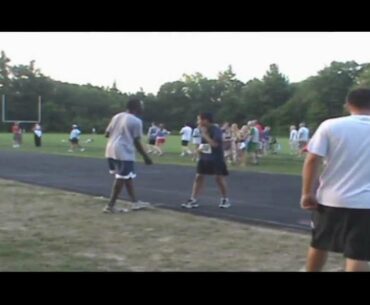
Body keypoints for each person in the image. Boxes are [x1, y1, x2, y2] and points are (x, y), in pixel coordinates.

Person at [301, 88, 370, 272]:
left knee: (319, 243)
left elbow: (312, 159)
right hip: (366, 203)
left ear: (348, 104)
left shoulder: (330, 126)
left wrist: (307, 193)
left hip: (331, 199)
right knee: (359, 253)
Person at [103, 98, 153, 213]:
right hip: (123, 151)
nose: (143, 108)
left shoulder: (117, 116)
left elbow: (107, 133)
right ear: (136, 108)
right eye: (141, 106)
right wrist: (146, 157)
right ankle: (110, 205)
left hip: (110, 148)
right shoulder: (136, 121)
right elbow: (136, 141)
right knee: (121, 178)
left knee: (127, 176)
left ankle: (135, 202)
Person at [182, 112, 230, 209]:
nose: (198, 122)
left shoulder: (216, 130)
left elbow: (215, 144)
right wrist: (198, 150)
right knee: (199, 177)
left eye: (199, 119)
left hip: (216, 158)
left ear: (205, 120)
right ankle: (193, 199)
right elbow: (206, 145)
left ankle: (225, 199)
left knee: (218, 178)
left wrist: (204, 134)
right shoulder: (202, 129)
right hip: (205, 158)